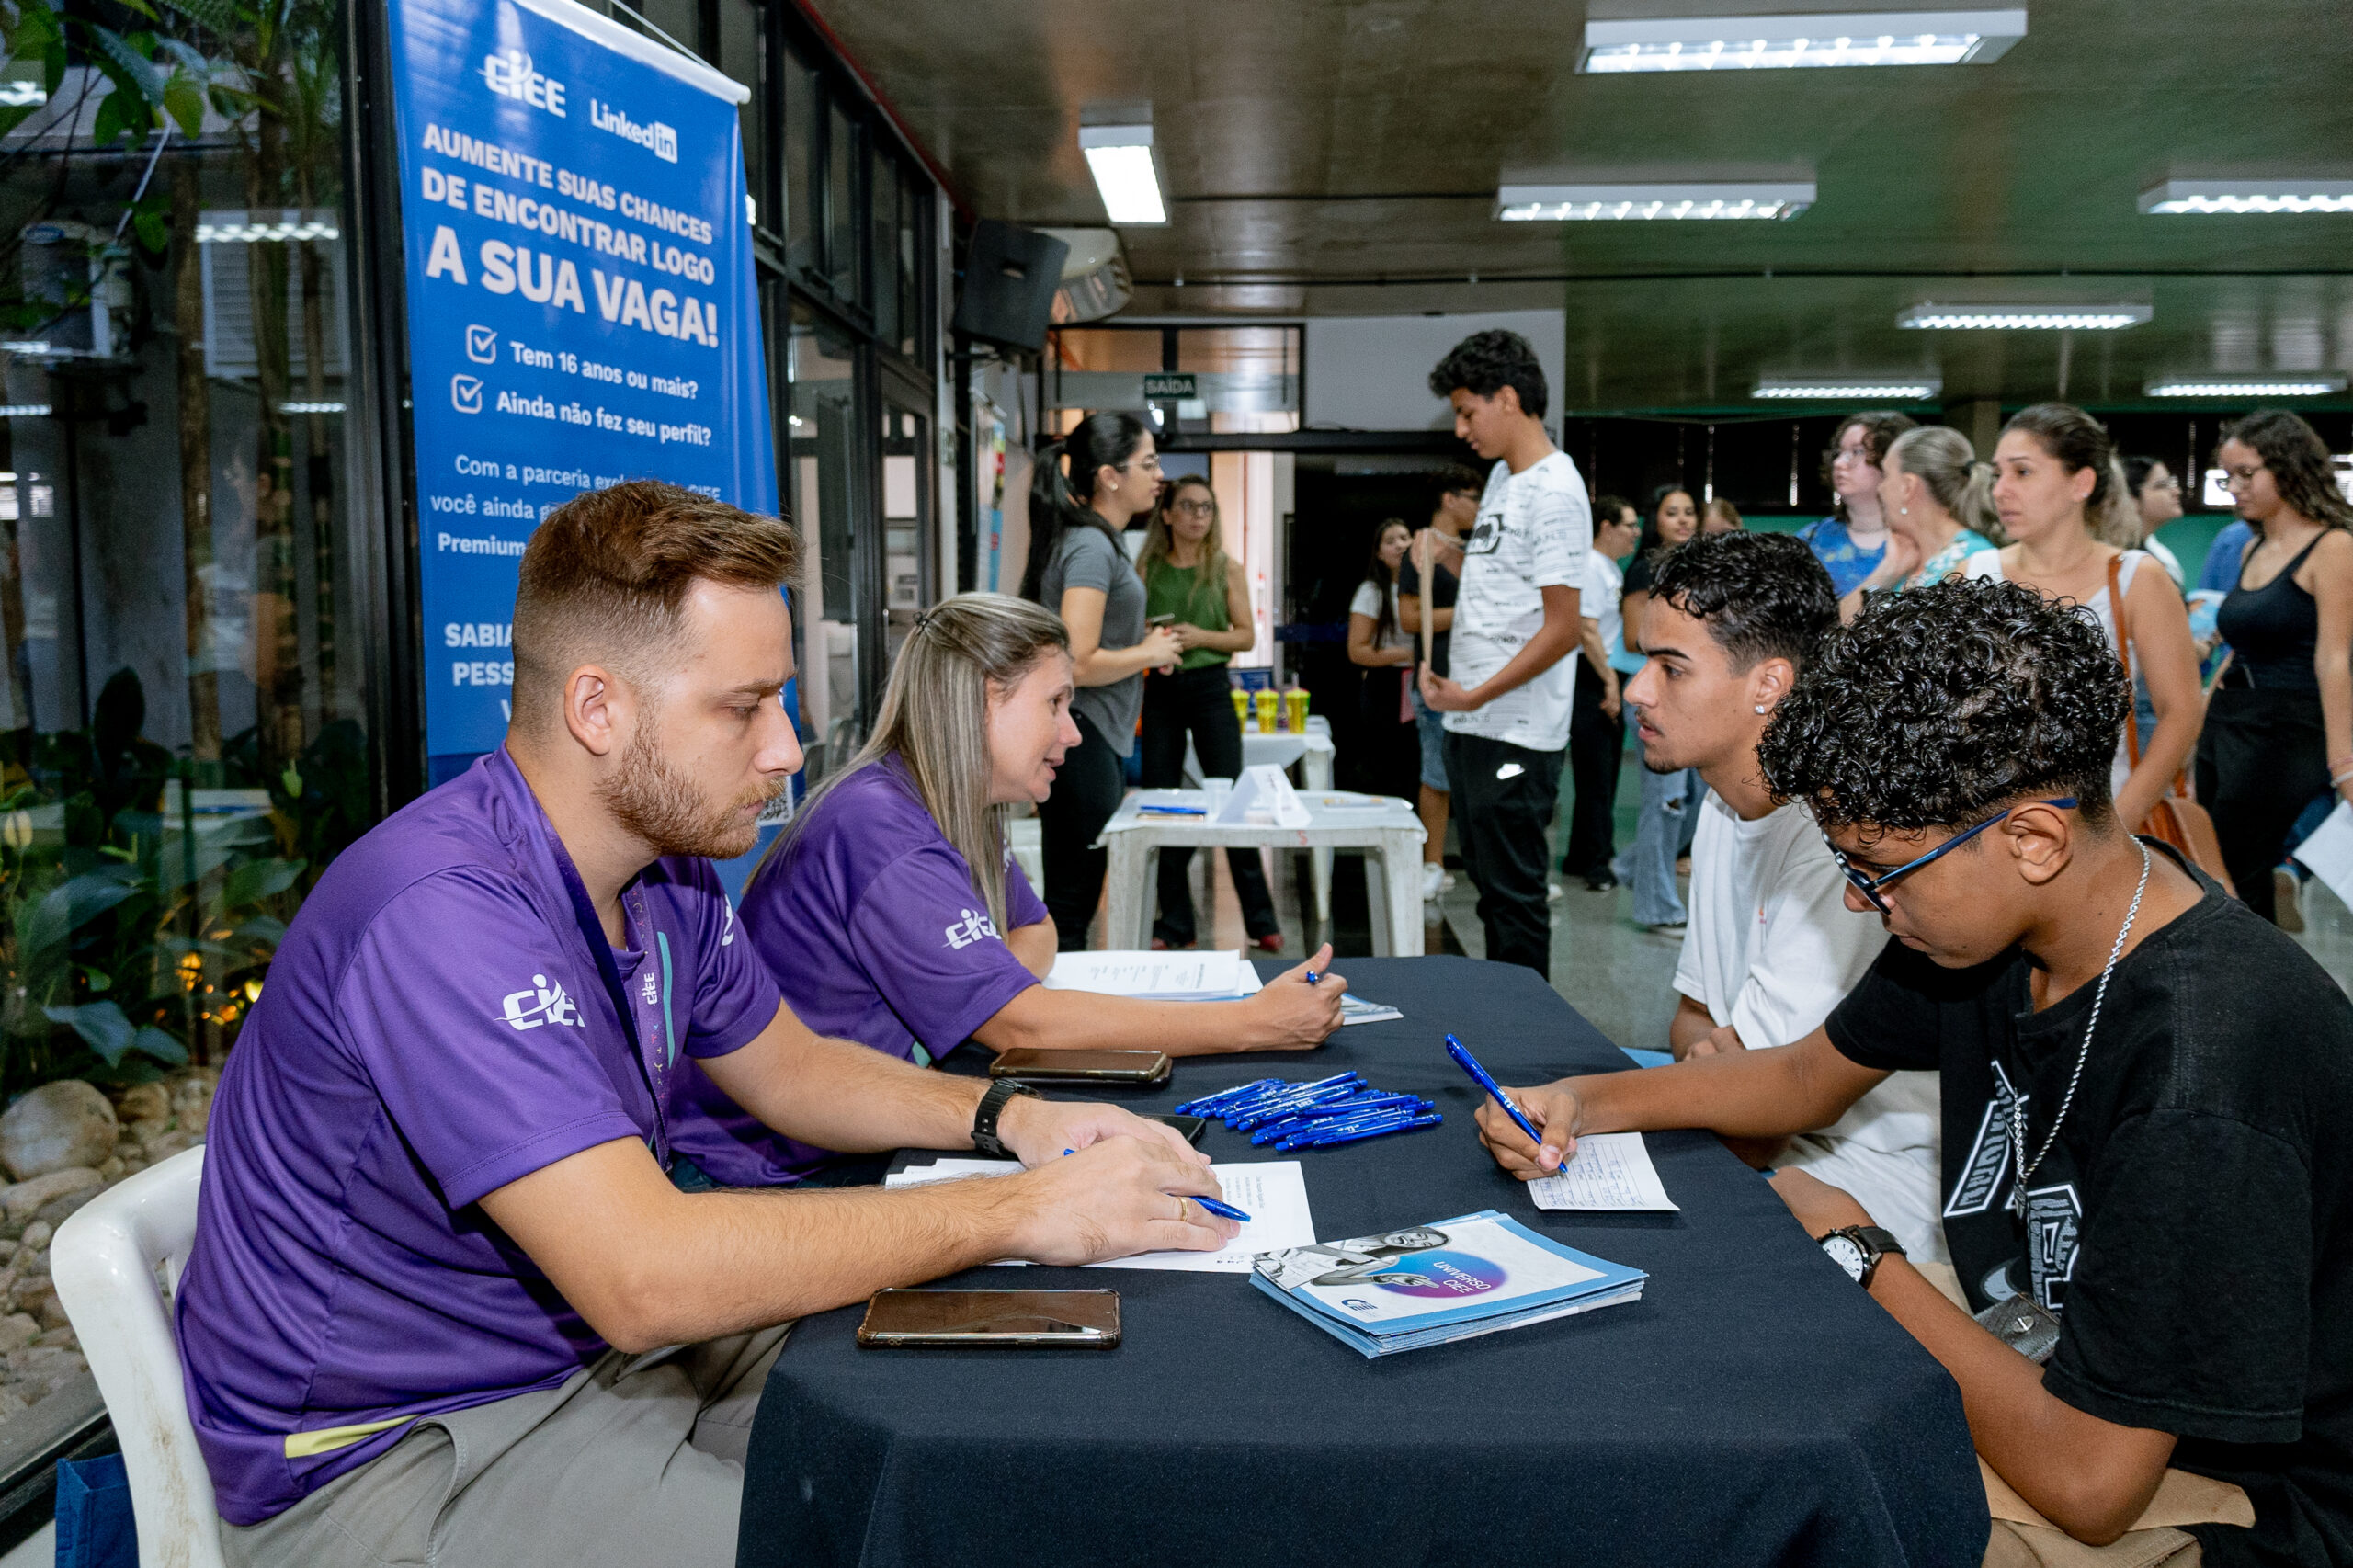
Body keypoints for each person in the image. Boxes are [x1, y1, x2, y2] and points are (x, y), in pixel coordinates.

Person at [176, 483, 1235, 1568]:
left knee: (984, 1422)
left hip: (584, 1355)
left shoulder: (666, 872)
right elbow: (646, 1275)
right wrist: (1023, 1207)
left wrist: (1013, 1118)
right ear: (599, 708)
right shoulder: (440, 910)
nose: (786, 747)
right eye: (744, 706)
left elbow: (795, 1069)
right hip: (398, 1447)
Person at [1477, 577, 2353, 1567]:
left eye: (1875, 869)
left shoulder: (2205, 1064)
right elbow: (1800, 1078)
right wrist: (1584, 1101)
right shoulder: (1996, 928)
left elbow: (2091, 1484)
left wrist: (1858, 1250)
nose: (1860, 903)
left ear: (2030, 838)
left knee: (1752, 1501)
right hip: (2050, 1357)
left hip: (2237, 1499)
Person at [676, 593, 1347, 1187]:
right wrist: (1249, 1023)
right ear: (982, 700)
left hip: (848, 1138)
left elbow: (1036, 933)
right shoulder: (881, 826)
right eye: (1055, 703)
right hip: (772, 1173)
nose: (1072, 733)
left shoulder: (956, 804)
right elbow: (1022, 1021)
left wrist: (978, 992)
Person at [1629, 531, 1943, 1263]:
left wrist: (1731, 1074)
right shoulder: (1719, 803)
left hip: (1884, 1177)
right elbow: (1694, 1018)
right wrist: (1725, 1066)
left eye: (1671, 668)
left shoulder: (1833, 833)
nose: (1638, 689)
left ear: (1769, 685)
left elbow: (1758, 1124)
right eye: (1644, 660)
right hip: (1778, 1139)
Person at [1419, 330, 1590, 978]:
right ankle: (1503, 1033)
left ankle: (1527, 1056)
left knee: (1515, 903)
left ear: (1509, 399)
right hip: (1473, 723)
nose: (1462, 428)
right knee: (1491, 898)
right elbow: (1507, 585)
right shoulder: (1502, 478)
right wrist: (1448, 552)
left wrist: (1476, 694)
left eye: (1468, 411)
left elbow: (1563, 627)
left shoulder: (1555, 489)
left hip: (1514, 733)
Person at [1966, 403, 2202, 836]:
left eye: (2022, 472)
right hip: (1990, 823)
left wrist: (2116, 826)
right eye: (1997, 474)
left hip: (2102, 813)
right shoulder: (1973, 574)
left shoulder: (2135, 577)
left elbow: (2181, 714)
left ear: (2081, 483)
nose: (2000, 491)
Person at [1019, 412, 1182, 949]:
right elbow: (1079, 660)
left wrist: (1141, 647)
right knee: (1072, 898)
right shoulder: (1091, 545)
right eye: (1149, 463)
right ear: (1110, 475)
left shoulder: (1098, 540)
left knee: (1075, 893)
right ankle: (1050, 1023)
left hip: (1092, 732)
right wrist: (1148, 651)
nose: (1160, 476)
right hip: (1081, 733)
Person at [2196, 409, 2353, 926]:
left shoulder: (2333, 546)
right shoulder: (2250, 547)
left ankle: (2260, 990)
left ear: (2289, 469)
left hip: (2287, 728)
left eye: (2246, 474)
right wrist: (2197, 719)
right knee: (2213, 862)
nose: (2234, 488)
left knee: (2240, 862)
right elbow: (2237, 647)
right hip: (2228, 722)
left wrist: (2343, 761)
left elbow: (2335, 658)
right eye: (2227, 476)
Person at [1136, 475, 1281, 950]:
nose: (1199, 515)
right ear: (1168, 514)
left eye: (1207, 507)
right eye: (1189, 506)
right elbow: (1129, 630)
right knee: (1163, 797)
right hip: (1161, 686)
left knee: (1233, 797)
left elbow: (1245, 637)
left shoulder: (1225, 568)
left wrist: (1200, 636)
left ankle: (1261, 920)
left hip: (1211, 687)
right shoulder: (1148, 566)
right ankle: (1174, 923)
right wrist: (1148, 640)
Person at [1615, 486, 1706, 930]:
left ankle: (1631, 867)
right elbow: (1635, 635)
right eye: (1673, 513)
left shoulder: (1696, 568)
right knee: (1666, 798)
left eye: (1690, 512)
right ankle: (1657, 907)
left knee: (1699, 799)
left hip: (1689, 692)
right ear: (1658, 520)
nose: (1683, 520)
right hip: (1649, 691)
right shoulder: (1645, 570)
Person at [1399, 465, 1483, 902]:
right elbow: (1410, 619)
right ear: (1449, 499)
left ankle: (1484, 861)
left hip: (1481, 677)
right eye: (1472, 496)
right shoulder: (1422, 549)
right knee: (1436, 773)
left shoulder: (1478, 548)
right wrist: (1470, 613)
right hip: (1437, 675)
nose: (1479, 505)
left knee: (1478, 771)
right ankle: (1432, 863)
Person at [1837, 425, 1999, 621]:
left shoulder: (1977, 562)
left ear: (1907, 487)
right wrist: (1889, 569)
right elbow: (1843, 625)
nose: (1881, 489)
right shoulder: (1907, 559)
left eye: (1886, 476)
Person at [1562, 496, 1640, 890]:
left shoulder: (1609, 569)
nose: (1636, 533)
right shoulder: (1592, 567)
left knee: (1602, 773)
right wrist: (1609, 681)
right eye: (1629, 524)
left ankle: (1579, 856)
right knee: (1597, 777)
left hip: (1603, 673)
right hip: (1592, 675)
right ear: (1606, 527)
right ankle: (1597, 864)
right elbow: (1586, 628)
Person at [1799, 411, 1917, 597]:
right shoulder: (1811, 540)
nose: (1838, 463)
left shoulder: (1919, 542)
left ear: (1891, 462)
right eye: (1838, 453)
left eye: (1857, 452)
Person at [1347, 517, 1422, 801]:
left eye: (1405, 538)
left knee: (1419, 764)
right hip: (1387, 684)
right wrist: (1408, 655)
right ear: (1378, 553)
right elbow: (1357, 650)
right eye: (1390, 542)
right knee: (1388, 764)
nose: (1400, 545)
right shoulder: (1372, 591)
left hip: (1423, 681)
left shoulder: (1427, 586)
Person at [2123, 455, 2188, 585]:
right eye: (2162, 485)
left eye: (2172, 483)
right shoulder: (2128, 560)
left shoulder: (2155, 549)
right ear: (2132, 499)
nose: (2177, 491)